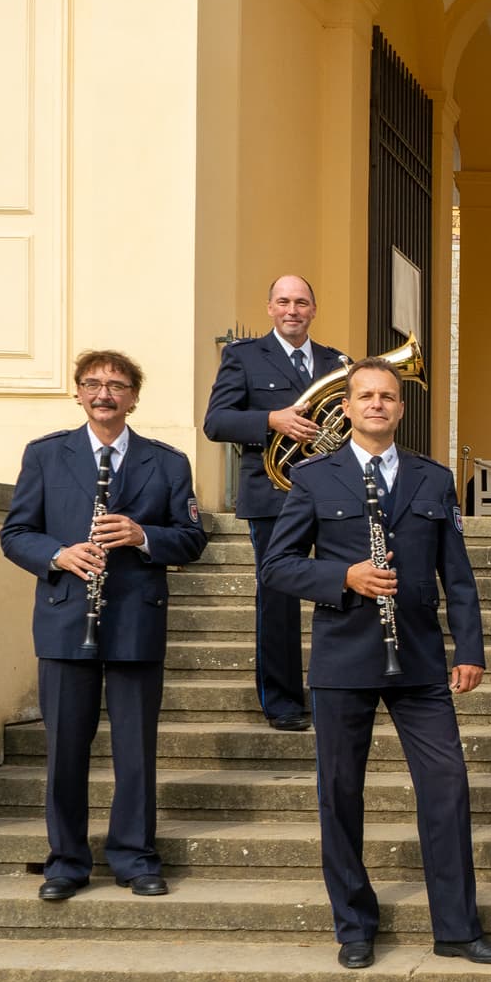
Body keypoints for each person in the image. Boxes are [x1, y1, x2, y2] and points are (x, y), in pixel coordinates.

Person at [260, 358, 491, 969]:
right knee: (340, 793)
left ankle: (456, 928)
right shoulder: (315, 478)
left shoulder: (433, 478)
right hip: (344, 656)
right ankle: (354, 925)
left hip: (421, 658)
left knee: (447, 787)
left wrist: (470, 648)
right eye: (366, 396)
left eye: (388, 397)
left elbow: (457, 571)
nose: (377, 404)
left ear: (401, 409)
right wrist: (342, 575)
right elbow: (276, 566)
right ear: (346, 408)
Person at [0, 350, 209, 901]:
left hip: (136, 621)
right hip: (67, 619)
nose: (104, 394)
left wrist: (143, 537)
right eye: (92, 384)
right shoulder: (46, 455)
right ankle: (66, 862)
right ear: (78, 393)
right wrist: (59, 555)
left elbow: (192, 537)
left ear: (134, 398)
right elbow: (16, 532)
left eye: (116, 385)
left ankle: (135, 857)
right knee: (66, 748)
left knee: (136, 750)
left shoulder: (167, 462)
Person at [204, 275, 353, 732]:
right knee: (280, 598)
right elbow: (217, 422)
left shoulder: (338, 362)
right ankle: (283, 701)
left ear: (313, 309)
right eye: (284, 302)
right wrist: (272, 419)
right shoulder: (243, 356)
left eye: (302, 302)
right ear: (269, 307)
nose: (293, 309)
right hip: (273, 495)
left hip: (333, 496)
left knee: (345, 589)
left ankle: (342, 689)